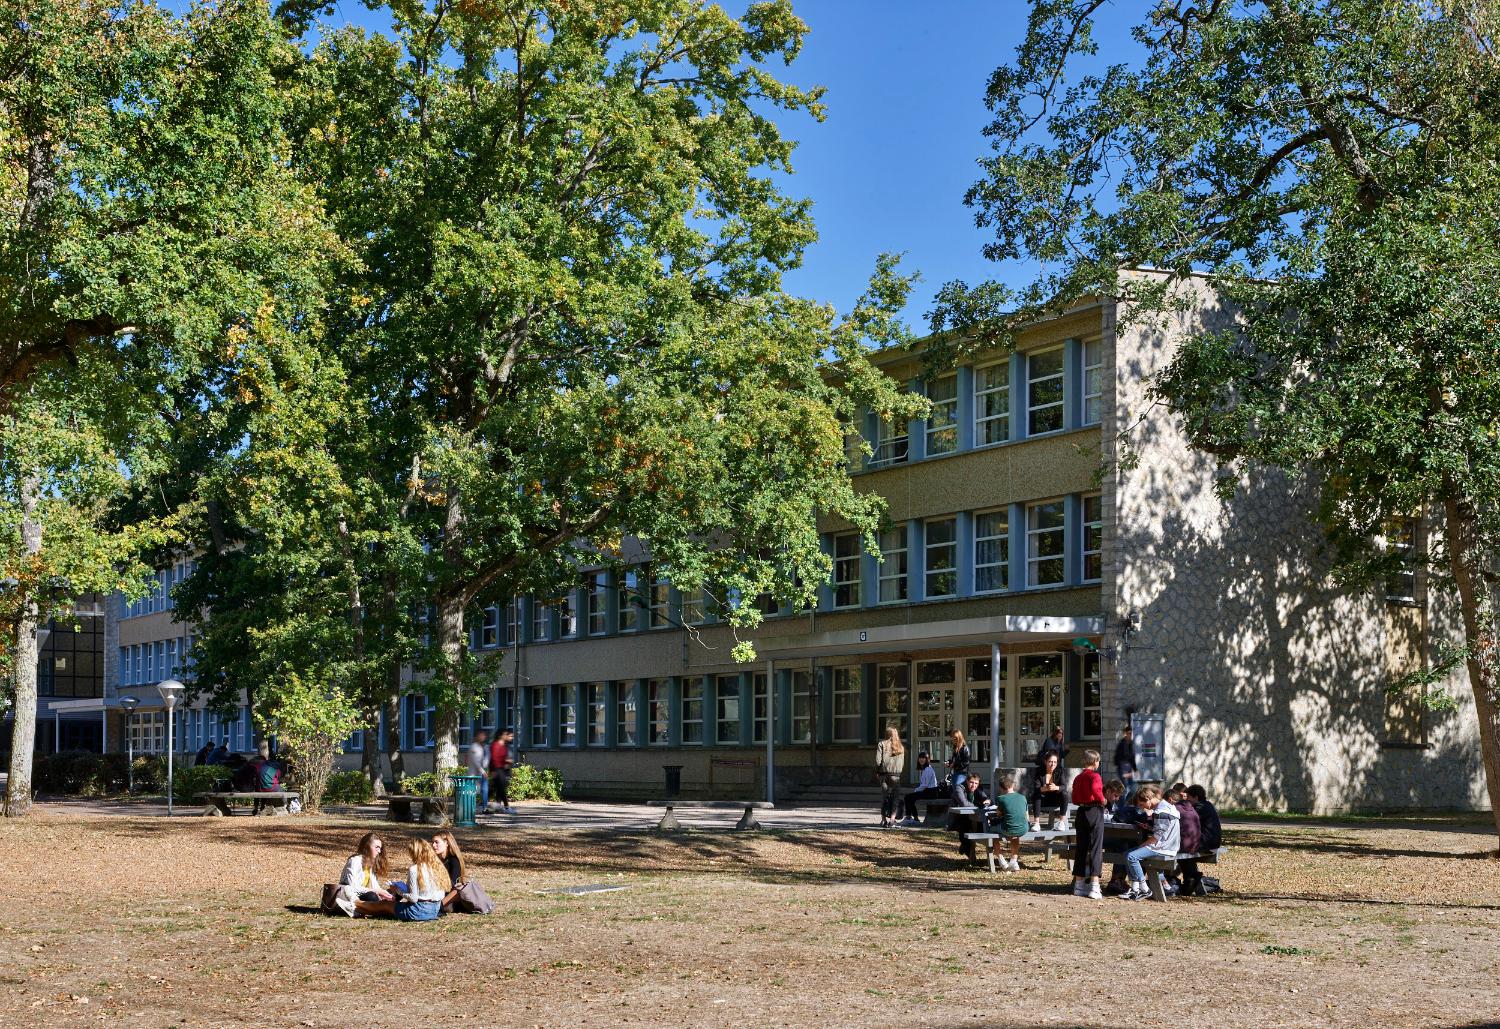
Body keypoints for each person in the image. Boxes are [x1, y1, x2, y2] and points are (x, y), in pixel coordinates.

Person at [353, 838, 450, 921]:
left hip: (418, 911)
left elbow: (413, 898)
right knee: (388, 907)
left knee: (385, 905)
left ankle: (354, 904)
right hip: (434, 911)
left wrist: (398, 891)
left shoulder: (414, 869)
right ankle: (360, 908)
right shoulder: (437, 867)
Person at [1119, 784, 1179, 901]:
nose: (1142, 808)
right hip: (1166, 844)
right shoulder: (1164, 806)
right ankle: (1135, 889)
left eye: (1142, 805)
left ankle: (1145, 890)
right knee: (1127, 854)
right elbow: (1163, 831)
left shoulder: (1161, 811)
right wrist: (1150, 828)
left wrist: (1141, 846)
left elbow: (1157, 837)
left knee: (1132, 856)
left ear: (1147, 799)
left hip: (1164, 847)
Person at [1070, 749, 1106, 900]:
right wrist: (1103, 800)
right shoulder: (1095, 776)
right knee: (1096, 848)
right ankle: (1095, 886)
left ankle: (1079, 885)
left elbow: (1074, 797)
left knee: (1082, 848)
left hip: (1081, 812)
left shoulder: (1078, 777)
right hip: (1094, 810)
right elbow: (1096, 790)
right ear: (1095, 761)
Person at [333, 831, 395, 916]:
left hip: (368, 894)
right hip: (354, 896)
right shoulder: (354, 861)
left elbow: (375, 886)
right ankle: (378, 908)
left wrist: (385, 893)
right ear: (367, 846)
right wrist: (376, 891)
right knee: (372, 896)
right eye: (376, 847)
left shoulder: (371, 864)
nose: (379, 851)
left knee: (395, 893)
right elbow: (353, 887)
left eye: (380, 848)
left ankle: (382, 908)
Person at [1186, 784, 1224, 895]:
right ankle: (1190, 878)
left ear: (1196, 797)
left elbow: (1186, 820)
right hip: (1211, 841)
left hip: (1207, 842)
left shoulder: (1200, 808)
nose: (1187, 801)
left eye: (1189, 798)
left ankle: (1191, 878)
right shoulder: (1207, 805)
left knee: (1182, 851)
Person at [989, 772, 1030, 872]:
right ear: (1013, 785)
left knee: (992, 832)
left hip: (1008, 828)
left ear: (1001, 788)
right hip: (1023, 828)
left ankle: (1001, 860)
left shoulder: (1001, 798)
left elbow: (998, 814)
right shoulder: (1022, 797)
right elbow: (1027, 816)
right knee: (1015, 833)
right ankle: (1013, 861)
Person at [1167, 781, 1203, 896]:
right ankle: (1190, 879)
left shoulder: (1176, 808)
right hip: (1195, 844)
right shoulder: (1191, 807)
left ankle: (1169, 880)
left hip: (1187, 845)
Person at [949, 772, 990, 863]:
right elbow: (964, 804)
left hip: (975, 816)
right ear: (967, 781)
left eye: (976, 783)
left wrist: (987, 801)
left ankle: (966, 847)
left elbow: (985, 798)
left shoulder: (978, 788)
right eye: (971, 782)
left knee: (983, 829)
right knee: (964, 834)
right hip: (960, 817)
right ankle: (970, 854)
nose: (973, 785)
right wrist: (979, 806)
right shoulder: (959, 788)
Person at [900, 751, 944, 825]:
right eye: (920, 758)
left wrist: (916, 790)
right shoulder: (924, 769)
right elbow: (924, 785)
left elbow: (924, 785)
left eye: (924, 758)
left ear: (927, 759)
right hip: (928, 791)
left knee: (908, 797)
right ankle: (915, 819)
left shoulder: (928, 769)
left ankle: (909, 818)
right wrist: (916, 791)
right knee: (909, 798)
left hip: (931, 792)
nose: (921, 759)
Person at [874, 726, 906, 828]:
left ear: (886, 734)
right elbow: (902, 764)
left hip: (883, 774)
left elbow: (878, 761)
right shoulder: (901, 747)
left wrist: (877, 771)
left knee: (884, 797)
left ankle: (883, 820)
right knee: (895, 798)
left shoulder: (881, 744)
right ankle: (892, 820)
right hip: (896, 775)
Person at [1029, 751, 1069, 825]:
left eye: (1055, 762)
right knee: (1036, 795)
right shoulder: (1039, 771)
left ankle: (1061, 822)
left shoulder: (1060, 770)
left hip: (1056, 799)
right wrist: (1044, 789)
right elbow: (1036, 788)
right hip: (1042, 800)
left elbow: (1064, 786)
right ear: (1045, 761)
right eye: (1050, 762)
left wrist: (1056, 787)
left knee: (1064, 793)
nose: (1052, 764)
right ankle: (1036, 823)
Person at [431, 831, 467, 912]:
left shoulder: (454, 861)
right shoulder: (436, 861)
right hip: (435, 894)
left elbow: (453, 885)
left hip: (449, 898)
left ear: (446, 843)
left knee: (457, 890)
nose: (433, 845)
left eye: (436, 842)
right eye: (432, 842)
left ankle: (437, 907)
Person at [489, 728, 517, 814]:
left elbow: (502, 758)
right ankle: (506, 807)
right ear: (500, 735)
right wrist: (492, 770)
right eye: (505, 734)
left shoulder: (503, 746)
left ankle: (496, 805)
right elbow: (493, 758)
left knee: (498, 788)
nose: (506, 736)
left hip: (501, 769)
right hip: (497, 769)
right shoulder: (495, 745)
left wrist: (507, 761)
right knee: (501, 788)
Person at [466, 730, 491, 812]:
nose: (482, 737)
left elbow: (487, 759)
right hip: (475, 773)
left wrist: (486, 770)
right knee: (473, 791)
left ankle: (485, 807)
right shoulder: (473, 747)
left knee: (485, 790)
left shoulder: (486, 747)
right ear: (476, 737)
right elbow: (475, 761)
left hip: (483, 772)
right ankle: (470, 808)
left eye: (484, 735)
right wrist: (483, 771)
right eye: (480, 735)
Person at [1113, 726, 1138, 796]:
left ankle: (1130, 803)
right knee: (1125, 788)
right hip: (1122, 769)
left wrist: (1135, 769)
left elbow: (1132, 758)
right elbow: (1117, 758)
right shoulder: (1121, 744)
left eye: (1131, 733)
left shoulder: (1131, 744)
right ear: (1126, 734)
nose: (1130, 735)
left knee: (1133, 788)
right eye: (1128, 733)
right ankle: (1122, 804)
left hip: (1129, 769)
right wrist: (1122, 772)